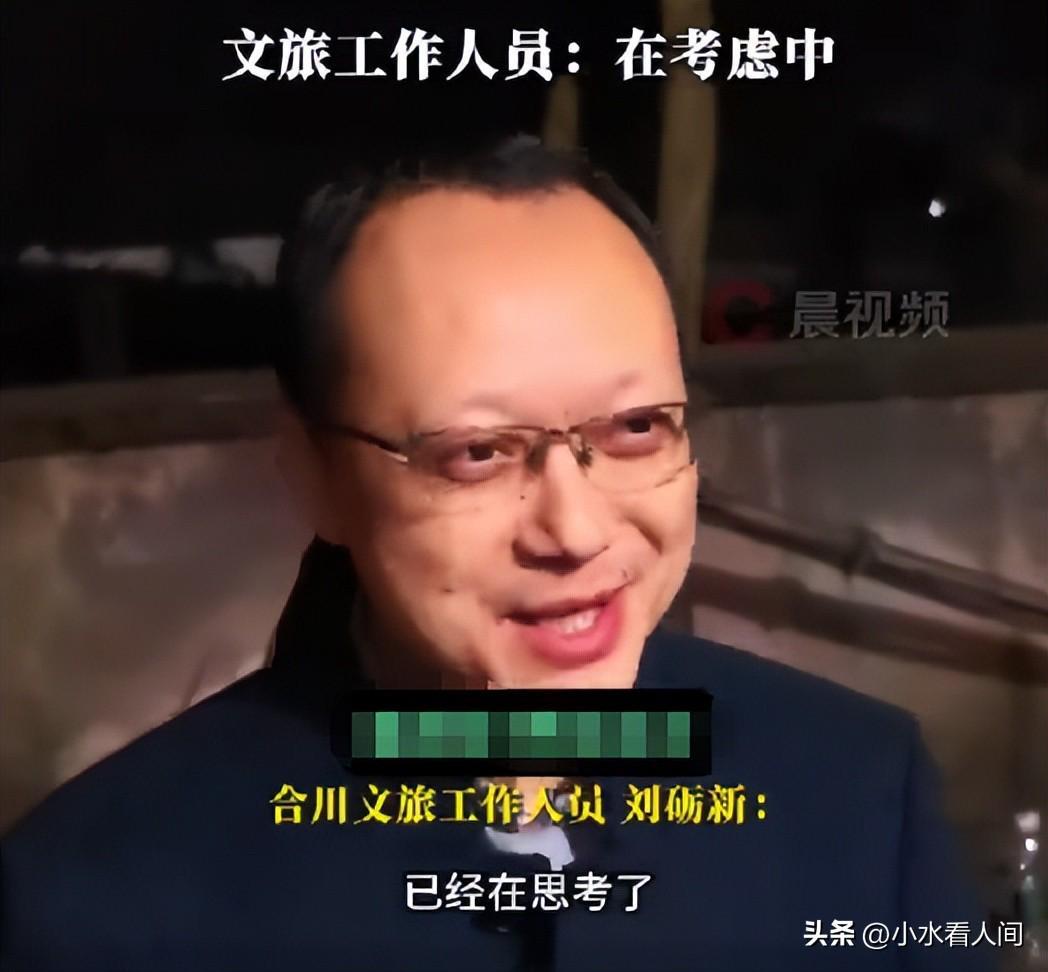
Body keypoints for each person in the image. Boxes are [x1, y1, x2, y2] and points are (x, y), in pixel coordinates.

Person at [1, 136, 994, 971]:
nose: (575, 530)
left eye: (636, 429)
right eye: (476, 453)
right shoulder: (98, 902)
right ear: (313, 472)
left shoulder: (856, 793)